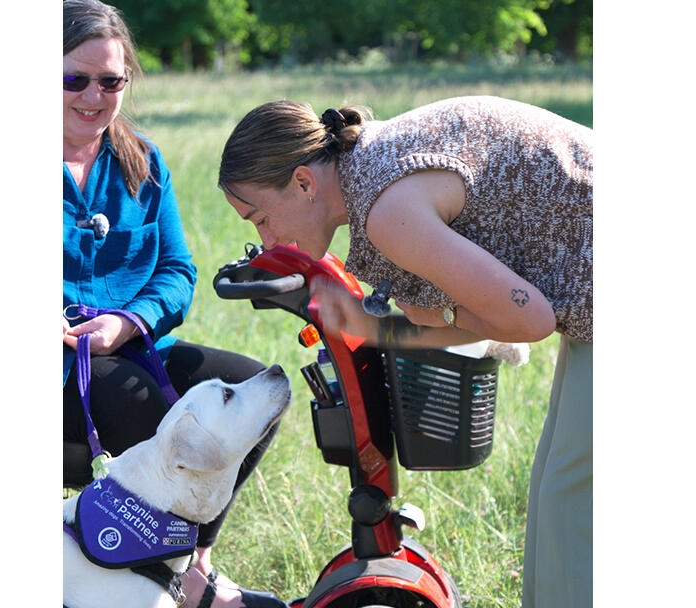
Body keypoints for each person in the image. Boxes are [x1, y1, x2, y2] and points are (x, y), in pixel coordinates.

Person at [218, 96, 592, 608]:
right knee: (556, 484)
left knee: (574, 500)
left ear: (304, 183)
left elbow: (530, 320)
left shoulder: (385, 212)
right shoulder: (373, 164)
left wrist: (408, 324)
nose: (265, 240)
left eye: (259, 218)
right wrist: (405, 322)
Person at [62, 2, 287, 606]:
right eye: (73, 79)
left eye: (111, 81)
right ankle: (128, 572)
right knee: (153, 411)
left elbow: (177, 270)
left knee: (248, 392)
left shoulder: (145, 161)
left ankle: (191, 568)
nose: (94, 95)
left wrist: (131, 320)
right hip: (57, 367)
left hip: (138, 345)